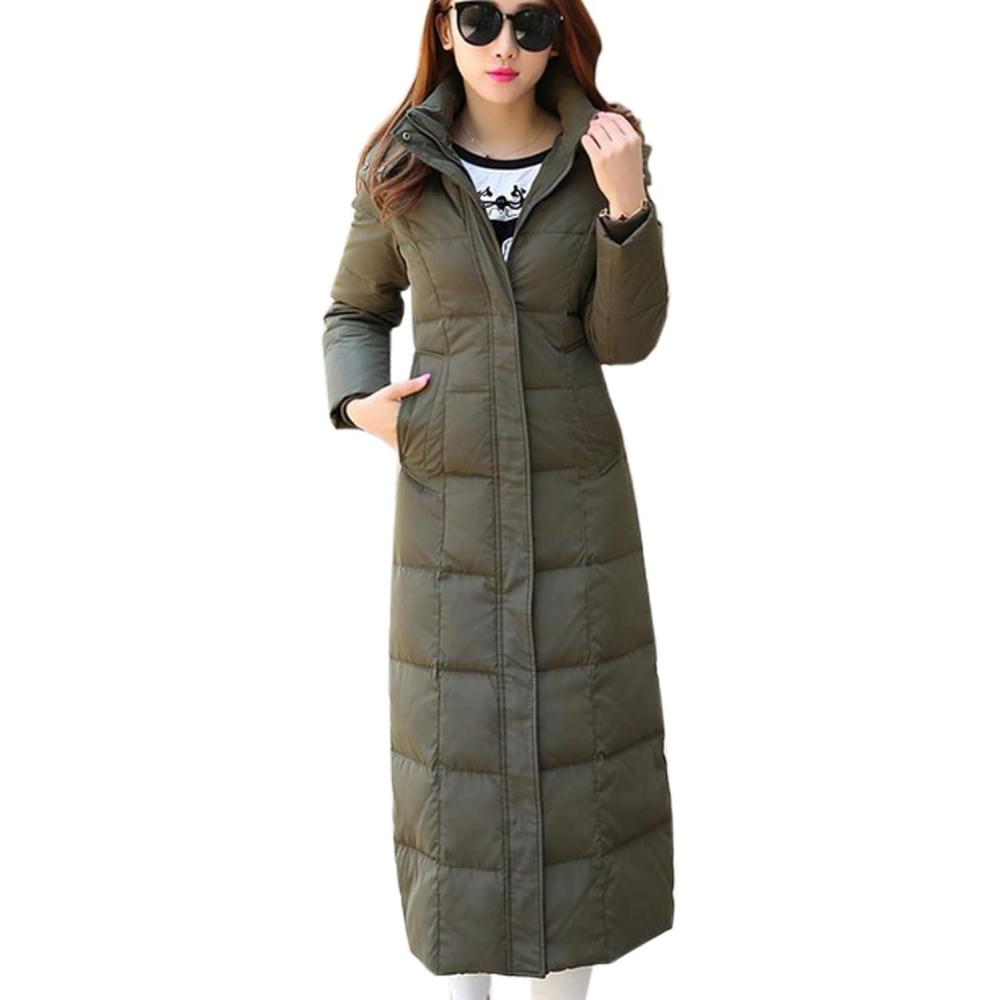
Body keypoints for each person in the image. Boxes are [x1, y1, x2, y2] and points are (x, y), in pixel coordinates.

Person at [322, 2, 673, 997]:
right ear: (443, 28)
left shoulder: (603, 153)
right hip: (450, 503)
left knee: (583, 753)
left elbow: (624, 340)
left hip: (578, 507)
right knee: (456, 759)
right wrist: (361, 404)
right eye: (479, 20)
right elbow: (355, 307)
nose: (504, 46)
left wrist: (626, 208)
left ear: (560, 34)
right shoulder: (400, 161)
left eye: (529, 22)